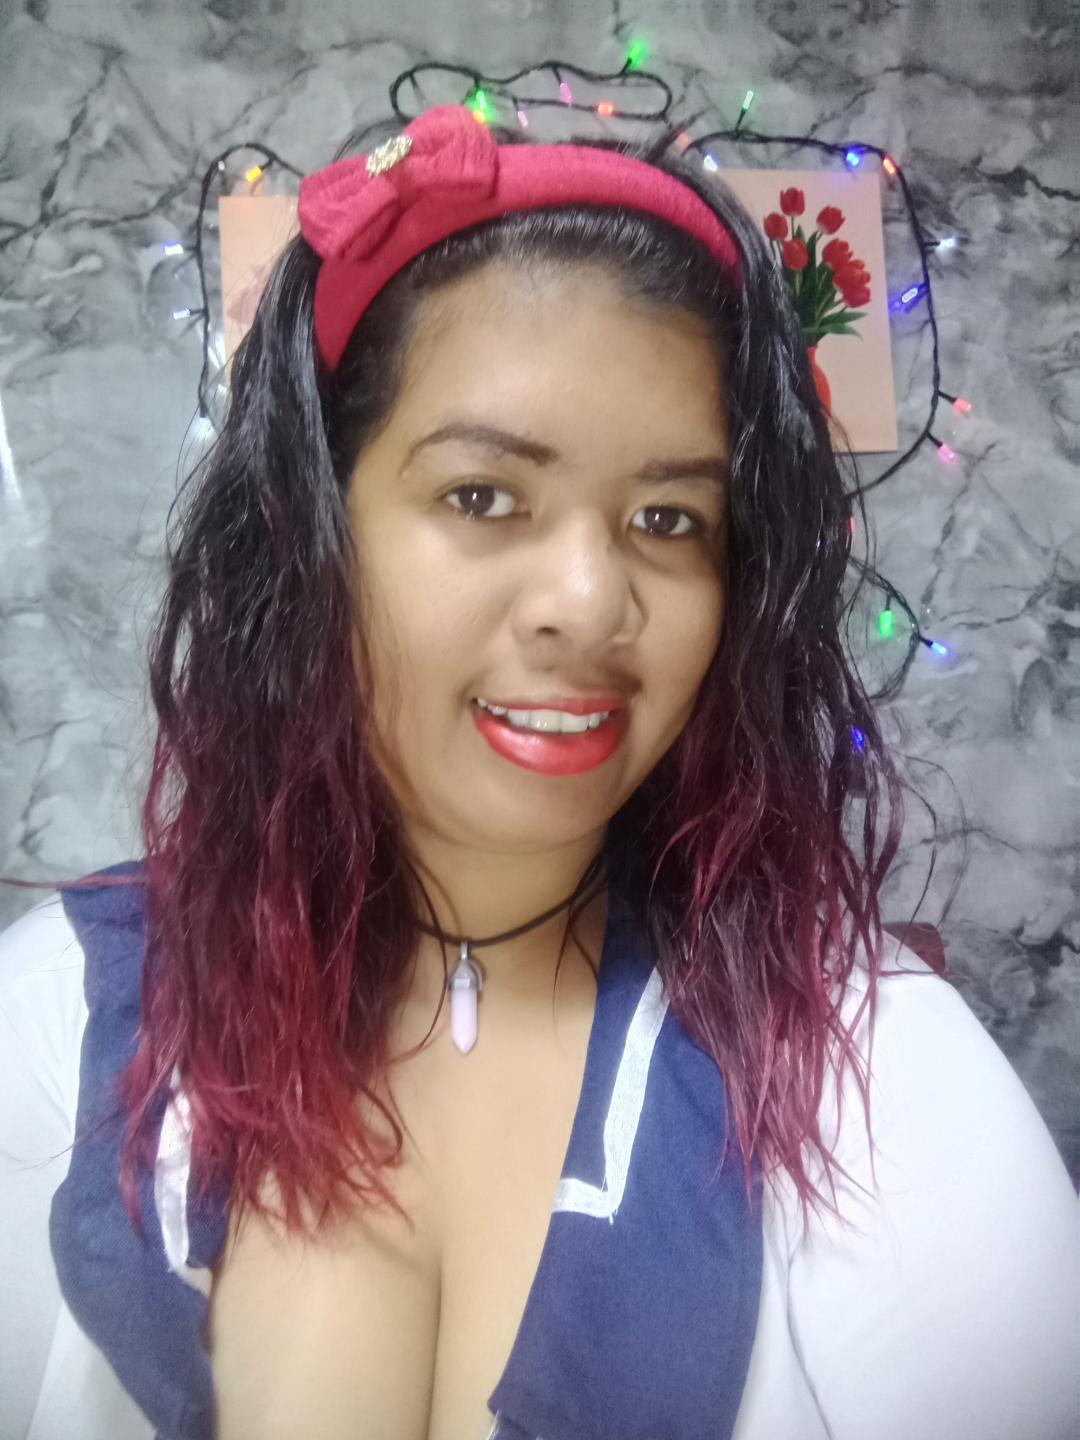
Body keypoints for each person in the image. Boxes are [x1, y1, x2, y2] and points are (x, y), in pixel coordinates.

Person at [1, 102, 1077, 1440]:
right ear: (316, 532)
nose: (589, 602)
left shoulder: (878, 1076)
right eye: (482, 496)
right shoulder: (56, 1021)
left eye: (669, 519)